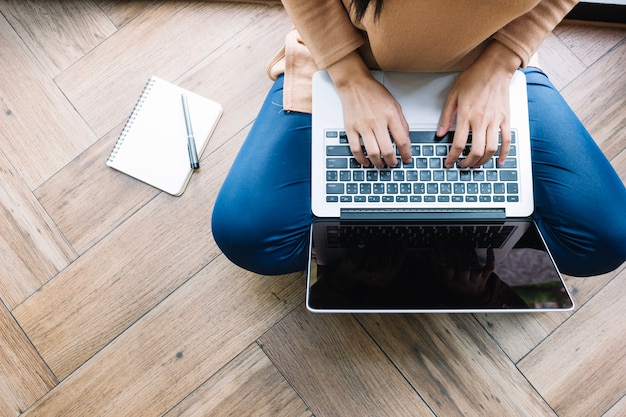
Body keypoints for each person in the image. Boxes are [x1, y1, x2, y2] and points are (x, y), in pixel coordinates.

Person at [212, 0, 626, 277]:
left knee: (607, 239)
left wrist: (503, 61)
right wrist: (347, 74)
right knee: (248, 236)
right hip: (351, 58)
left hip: (484, 67)